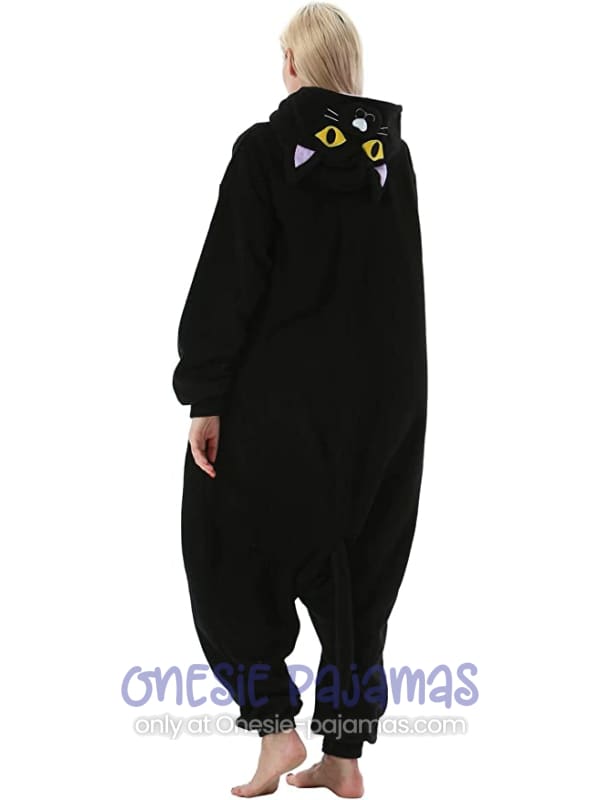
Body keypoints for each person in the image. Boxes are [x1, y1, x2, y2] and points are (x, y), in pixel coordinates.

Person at [172, 3, 427, 797]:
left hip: (275, 403)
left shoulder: (265, 150)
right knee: (357, 573)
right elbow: (403, 291)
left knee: (223, 550)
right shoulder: (394, 159)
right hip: (383, 407)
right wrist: (402, 416)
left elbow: (231, 277)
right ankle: (344, 757)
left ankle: (276, 734)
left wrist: (205, 394)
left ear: (292, 64)